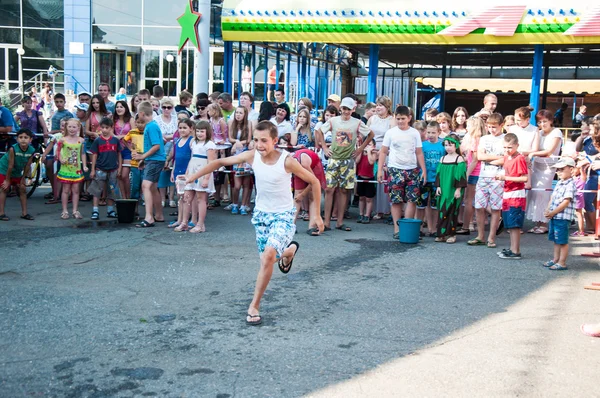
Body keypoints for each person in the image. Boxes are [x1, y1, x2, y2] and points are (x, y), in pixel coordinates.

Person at [186, 121, 324, 325]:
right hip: (262, 216)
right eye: (256, 140)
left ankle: (254, 306)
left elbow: (315, 181)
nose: (259, 145)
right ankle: (288, 251)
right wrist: (193, 177)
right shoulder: (252, 156)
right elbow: (220, 163)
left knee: (268, 257)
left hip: (283, 215)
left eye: (264, 141)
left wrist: (317, 216)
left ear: (275, 141)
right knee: (267, 260)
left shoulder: (287, 161)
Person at [317, 97, 374, 232]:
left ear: (353, 109)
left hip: (348, 160)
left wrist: (360, 149)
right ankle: (326, 222)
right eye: (344, 108)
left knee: (344, 190)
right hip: (334, 158)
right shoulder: (333, 121)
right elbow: (319, 131)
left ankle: (339, 222)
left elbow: (370, 134)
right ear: (340, 108)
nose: (346, 111)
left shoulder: (357, 123)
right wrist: (324, 147)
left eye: (349, 109)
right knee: (330, 189)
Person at [376, 105, 424, 240]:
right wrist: (380, 170)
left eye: (403, 118)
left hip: (412, 169)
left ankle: (407, 227)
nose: (400, 121)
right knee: (396, 200)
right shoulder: (390, 133)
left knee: (412, 199)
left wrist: (423, 170)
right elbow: (383, 151)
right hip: (395, 169)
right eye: (398, 119)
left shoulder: (415, 133)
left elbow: (419, 153)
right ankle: (397, 229)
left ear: (409, 118)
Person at [468, 113, 505, 248]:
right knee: (479, 206)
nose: (491, 129)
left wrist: (490, 157)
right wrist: (496, 158)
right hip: (483, 176)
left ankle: (491, 237)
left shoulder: (505, 139)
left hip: (498, 177)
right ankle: (480, 236)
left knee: (496, 208)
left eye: (494, 127)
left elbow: (506, 159)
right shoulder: (484, 139)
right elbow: (480, 156)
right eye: (489, 127)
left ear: (501, 125)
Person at [526, 109, 563, 234]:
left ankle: (545, 223)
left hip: (548, 167)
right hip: (536, 165)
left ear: (551, 121)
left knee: (544, 193)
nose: (542, 124)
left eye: (545, 121)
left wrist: (532, 154)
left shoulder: (557, 132)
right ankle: (537, 222)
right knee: (535, 193)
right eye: (540, 122)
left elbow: (549, 151)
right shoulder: (539, 133)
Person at [176, 120, 216, 232]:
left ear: (207, 132)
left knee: (201, 199)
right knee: (187, 196)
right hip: (192, 170)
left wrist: (206, 178)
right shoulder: (193, 142)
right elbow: (192, 159)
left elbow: (211, 163)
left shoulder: (210, 144)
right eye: (198, 131)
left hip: (203, 171)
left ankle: (200, 224)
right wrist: (187, 173)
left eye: (202, 131)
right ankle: (184, 222)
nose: (199, 134)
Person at [493, 133, 528, 259]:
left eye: (509, 147)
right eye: (505, 147)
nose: (507, 150)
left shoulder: (519, 158)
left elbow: (524, 178)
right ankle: (513, 248)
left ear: (517, 146)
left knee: (515, 225)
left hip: (516, 194)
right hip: (508, 192)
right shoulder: (507, 157)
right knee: (510, 224)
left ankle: (516, 251)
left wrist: (505, 177)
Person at [132, 101, 166, 227]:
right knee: (152, 187)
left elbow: (156, 145)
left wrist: (143, 156)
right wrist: (144, 159)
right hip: (155, 159)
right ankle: (158, 215)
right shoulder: (153, 125)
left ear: (141, 113)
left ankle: (149, 217)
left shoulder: (151, 126)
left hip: (155, 159)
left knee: (145, 185)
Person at [543, 157, 577, 270]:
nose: (559, 172)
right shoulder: (560, 183)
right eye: (558, 170)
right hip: (555, 216)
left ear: (571, 170)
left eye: (562, 169)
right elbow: (552, 197)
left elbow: (566, 202)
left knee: (562, 241)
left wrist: (552, 212)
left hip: (562, 217)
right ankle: (555, 259)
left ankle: (562, 262)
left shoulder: (570, 184)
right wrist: (548, 209)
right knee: (556, 239)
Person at [434, 134, 467, 243]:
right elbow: (438, 174)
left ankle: (451, 234)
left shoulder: (459, 159)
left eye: (450, 145)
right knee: (442, 210)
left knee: (452, 211)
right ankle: (441, 234)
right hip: (443, 190)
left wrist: (458, 189)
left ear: (456, 145)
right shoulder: (443, 158)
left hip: (453, 190)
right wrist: (438, 186)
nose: (448, 147)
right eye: (446, 145)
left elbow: (461, 176)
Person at [457, 116, 487, 235]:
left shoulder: (475, 140)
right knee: (475, 199)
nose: (467, 127)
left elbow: (475, 160)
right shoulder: (480, 139)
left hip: (474, 173)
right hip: (478, 171)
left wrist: (467, 174)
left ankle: (466, 226)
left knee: (468, 200)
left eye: (468, 125)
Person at [89, 118, 122, 220]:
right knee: (96, 190)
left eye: (106, 128)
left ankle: (110, 210)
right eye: (102, 127)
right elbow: (94, 155)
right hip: (100, 169)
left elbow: (119, 154)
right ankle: (95, 210)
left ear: (111, 128)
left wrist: (119, 168)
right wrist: (93, 169)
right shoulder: (98, 141)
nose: (104, 130)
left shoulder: (115, 140)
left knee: (111, 190)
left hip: (113, 169)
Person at [0, 129, 36, 221]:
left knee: (22, 189)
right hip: (4, 170)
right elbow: (10, 165)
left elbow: (28, 165)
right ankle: (1, 213)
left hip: (17, 172)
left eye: (26, 137)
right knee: (4, 188)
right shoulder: (13, 149)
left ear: (30, 140)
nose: (23, 139)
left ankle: (24, 213)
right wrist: (7, 180)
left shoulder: (32, 150)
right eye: (20, 137)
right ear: (17, 139)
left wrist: (23, 178)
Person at [57, 119, 87, 219]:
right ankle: (64, 210)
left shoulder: (81, 140)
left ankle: (75, 210)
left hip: (76, 169)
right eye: (69, 127)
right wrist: (60, 159)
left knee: (76, 190)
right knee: (65, 190)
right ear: (66, 127)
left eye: (74, 127)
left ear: (78, 128)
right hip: (66, 169)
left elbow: (83, 153)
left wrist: (84, 165)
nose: (72, 129)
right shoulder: (63, 140)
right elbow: (58, 151)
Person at [419, 121, 445, 237]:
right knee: (421, 205)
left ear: (439, 132)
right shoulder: (423, 145)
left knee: (435, 206)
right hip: (424, 178)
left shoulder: (442, 146)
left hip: (437, 180)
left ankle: (433, 228)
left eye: (433, 132)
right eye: (428, 132)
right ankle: (418, 228)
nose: (430, 135)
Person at [292, 148, 326, 234]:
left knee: (312, 196)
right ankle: (291, 225)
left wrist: (303, 194)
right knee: (297, 197)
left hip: (314, 167)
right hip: (299, 166)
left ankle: (312, 226)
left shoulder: (304, 164)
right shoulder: (289, 162)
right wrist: (300, 195)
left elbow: (314, 182)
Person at [169, 119, 195, 230]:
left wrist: (188, 172)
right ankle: (179, 219)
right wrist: (172, 171)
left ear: (190, 129)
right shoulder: (177, 140)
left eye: (185, 128)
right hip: (177, 171)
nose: (182, 130)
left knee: (186, 197)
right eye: (180, 128)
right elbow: (175, 158)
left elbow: (193, 157)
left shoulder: (191, 141)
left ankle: (187, 220)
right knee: (179, 197)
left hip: (186, 172)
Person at [575, 117, 598, 233]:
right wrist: (581, 137)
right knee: (590, 200)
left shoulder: (596, 140)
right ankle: (590, 227)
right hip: (588, 173)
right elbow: (577, 148)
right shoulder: (588, 139)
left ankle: (594, 227)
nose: (581, 127)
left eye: (583, 125)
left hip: (595, 174)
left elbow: (596, 156)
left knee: (587, 200)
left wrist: (587, 160)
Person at [228, 106, 253, 215]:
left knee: (246, 183)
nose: (238, 115)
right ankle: (234, 203)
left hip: (246, 154)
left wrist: (239, 143)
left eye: (240, 113)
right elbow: (230, 138)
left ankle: (243, 205)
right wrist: (236, 142)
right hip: (236, 155)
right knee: (237, 185)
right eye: (236, 112)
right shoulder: (231, 123)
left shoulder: (249, 123)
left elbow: (248, 139)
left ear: (245, 114)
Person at [155, 98, 178, 208]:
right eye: (164, 107)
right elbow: (159, 135)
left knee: (172, 172)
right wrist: (170, 136)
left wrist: (168, 137)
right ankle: (163, 198)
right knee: (163, 172)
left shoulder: (175, 119)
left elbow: (177, 134)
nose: (166, 109)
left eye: (169, 107)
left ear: (172, 108)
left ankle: (172, 197)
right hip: (162, 148)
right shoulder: (157, 119)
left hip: (174, 147)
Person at [122, 114, 145, 205]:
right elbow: (124, 140)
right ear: (135, 122)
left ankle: (144, 198)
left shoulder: (147, 132)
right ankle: (134, 204)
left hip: (145, 160)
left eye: (142, 123)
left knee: (144, 182)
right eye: (138, 122)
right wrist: (131, 149)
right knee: (135, 184)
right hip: (135, 161)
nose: (140, 125)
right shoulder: (132, 132)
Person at [112, 100, 133, 198]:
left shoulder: (130, 119)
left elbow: (134, 133)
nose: (119, 109)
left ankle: (129, 197)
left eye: (121, 107)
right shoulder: (113, 120)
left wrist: (122, 136)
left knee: (125, 175)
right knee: (119, 176)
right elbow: (111, 133)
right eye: (117, 107)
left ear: (126, 108)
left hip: (128, 148)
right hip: (116, 150)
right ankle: (123, 198)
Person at [355, 139, 378, 224]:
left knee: (369, 198)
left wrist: (369, 152)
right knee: (361, 197)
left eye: (370, 144)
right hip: (360, 177)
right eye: (366, 144)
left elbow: (371, 162)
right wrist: (360, 150)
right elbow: (357, 161)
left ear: (374, 146)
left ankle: (367, 215)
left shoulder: (374, 153)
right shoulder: (361, 152)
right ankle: (361, 214)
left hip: (370, 178)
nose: (368, 146)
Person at [571, 162, 586, 237]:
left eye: (574, 169)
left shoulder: (582, 177)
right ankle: (581, 230)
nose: (572, 171)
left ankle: (581, 231)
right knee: (578, 214)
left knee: (579, 214)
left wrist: (580, 167)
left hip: (578, 197)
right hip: (574, 197)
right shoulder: (573, 177)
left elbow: (582, 172)